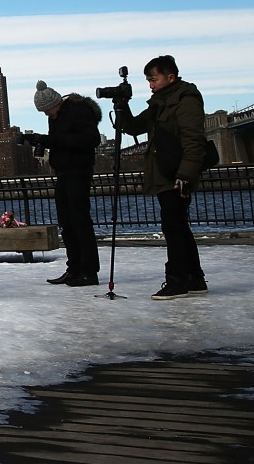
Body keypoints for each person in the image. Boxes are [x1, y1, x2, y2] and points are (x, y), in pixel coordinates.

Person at [112, 55, 209, 300]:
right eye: (148, 80)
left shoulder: (185, 100)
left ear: (170, 77)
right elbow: (135, 127)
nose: (150, 84)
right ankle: (194, 278)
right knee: (178, 227)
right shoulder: (160, 102)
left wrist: (185, 175)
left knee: (174, 227)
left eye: (153, 79)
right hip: (166, 173)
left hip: (176, 173)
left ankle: (177, 281)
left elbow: (194, 140)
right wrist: (122, 106)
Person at [18, 81, 103, 286]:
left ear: (56, 103)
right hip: (64, 173)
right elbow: (59, 140)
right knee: (66, 223)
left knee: (80, 222)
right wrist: (40, 140)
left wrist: (52, 141)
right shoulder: (57, 116)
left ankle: (89, 271)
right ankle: (74, 268)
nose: (47, 114)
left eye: (48, 110)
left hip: (78, 171)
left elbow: (91, 139)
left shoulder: (78, 111)